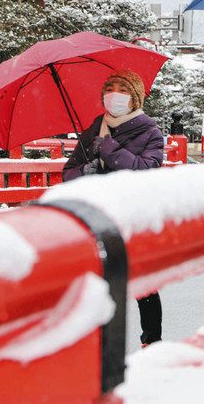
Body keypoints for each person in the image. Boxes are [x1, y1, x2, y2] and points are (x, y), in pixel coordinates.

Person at [63, 69, 164, 347]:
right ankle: (102, 344)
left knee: (144, 282)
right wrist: (87, 169)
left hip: (133, 213)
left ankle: (151, 341)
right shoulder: (94, 129)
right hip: (98, 212)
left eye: (122, 89)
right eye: (110, 88)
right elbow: (68, 172)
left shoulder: (149, 131)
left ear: (134, 97)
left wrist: (108, 149)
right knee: (100, 280)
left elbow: (146, 168)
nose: (114, 94)